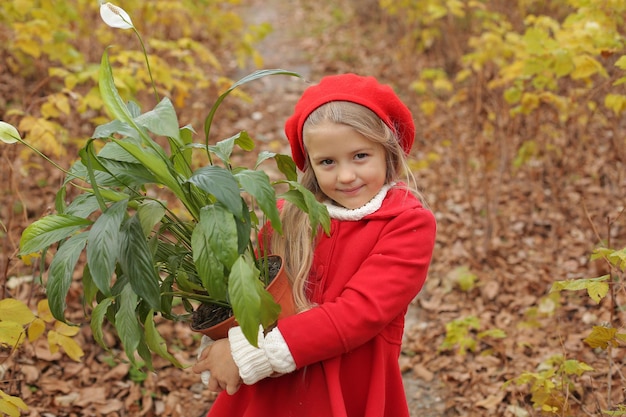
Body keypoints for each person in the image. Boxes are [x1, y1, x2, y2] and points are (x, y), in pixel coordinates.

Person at [192, 73, 437, 417]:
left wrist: (248, 353)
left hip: (348, 389)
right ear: (309, 164)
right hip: (272, 391)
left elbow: (360, 312)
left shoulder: (406, 224)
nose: (346, 175)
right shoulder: (287, 216)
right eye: (328, 162)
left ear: (388, 152)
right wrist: (223, 342)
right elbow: (254, 289)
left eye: (361, 156)